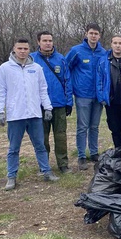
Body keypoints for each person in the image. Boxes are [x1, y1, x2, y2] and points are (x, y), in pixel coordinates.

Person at [0, 38, 59, 190]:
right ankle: (11, 176)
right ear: (14, 49)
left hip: (34, 114)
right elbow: (1, 91)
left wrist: (48, 108)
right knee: (14, 148)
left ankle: (46, 171)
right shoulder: (5, 68)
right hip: (16, 115)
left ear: (30, 50)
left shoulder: (36, 68)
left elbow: (43, 89)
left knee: (40, 145)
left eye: (25, 49)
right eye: (20, 48)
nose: (23, 51)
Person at [31, 31, 73, 173]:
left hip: (59, 104)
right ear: (38, 42)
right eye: (45, 40)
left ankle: (63, 164)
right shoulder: (32, 59)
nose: (48, 43)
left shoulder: (61, 59)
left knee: (60, 135)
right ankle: (44, 165)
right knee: (42, 137)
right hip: (40, 106)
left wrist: (68, 102)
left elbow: (67, 81)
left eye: (50, 40)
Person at [65, 24, 106, 170]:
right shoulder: (76, 51)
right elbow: (66, 68)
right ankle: (81, 155)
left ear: (99, 35)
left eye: (96, 33)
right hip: (82, 94)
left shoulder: (104, 53)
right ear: (86, 34)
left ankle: (94, 152)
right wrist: (72, 87)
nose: (93, 36)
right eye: (91, 33)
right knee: (82, 126)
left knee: (94, 126)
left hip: (98, 96)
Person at [96, 35, 121, 149]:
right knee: (115, 129)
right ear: (111, 44)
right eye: (115, 43)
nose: (118, 46)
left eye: (120, 43)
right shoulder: (103, 61)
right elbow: (99, 80)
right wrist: (101, 97)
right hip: (111, 101)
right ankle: (119, 151)